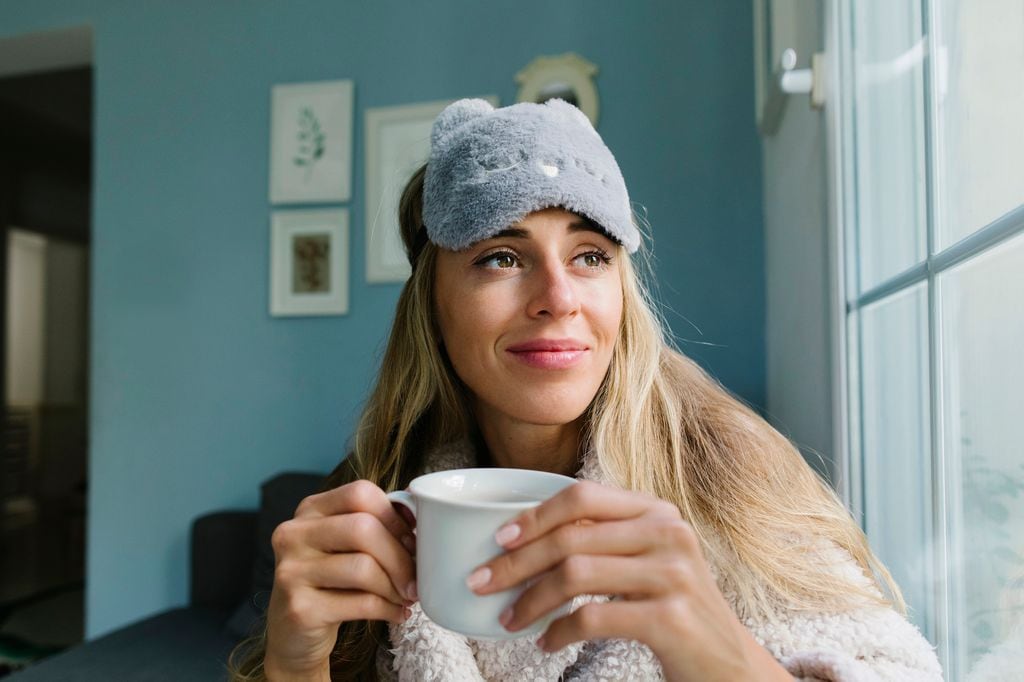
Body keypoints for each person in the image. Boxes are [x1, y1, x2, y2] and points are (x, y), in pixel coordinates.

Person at [229, 98, 943, 681]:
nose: (559, 298)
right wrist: (295, 668)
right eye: (501, 257)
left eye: (591, 256)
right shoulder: (373, 501)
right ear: (432, 305)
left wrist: (723, 657)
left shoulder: (730, 473)